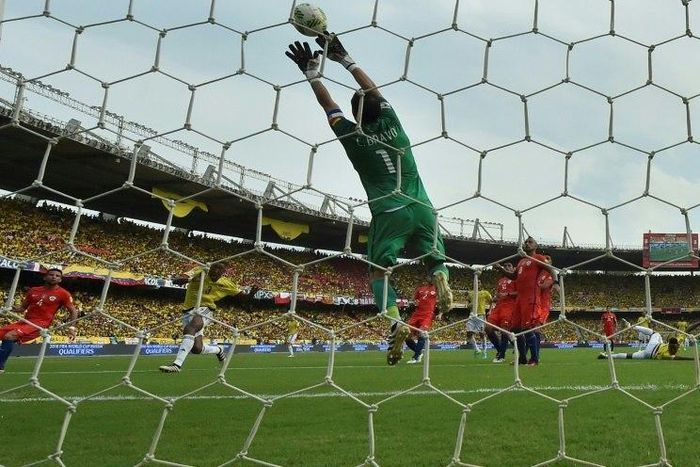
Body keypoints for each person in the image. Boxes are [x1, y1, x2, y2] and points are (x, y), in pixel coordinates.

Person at [285, 35, 453, 366]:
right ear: (379, 109)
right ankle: (442, 278)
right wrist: (345, 58)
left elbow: (327, 106)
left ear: (357, 116)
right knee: (434, 258)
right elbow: (374, 93)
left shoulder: (352, 135)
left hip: (390, 211)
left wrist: (311, 74)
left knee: (379, 271)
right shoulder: (394, 124)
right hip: (422, 208)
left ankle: (395, 323)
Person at [159, 263, 244, 373]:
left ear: (223, 273)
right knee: (197, 349)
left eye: (219, 272)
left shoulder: (226, 283)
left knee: (191, 328)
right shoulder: (200, 271)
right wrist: (180, 280)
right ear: (210, 269)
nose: (216, 273)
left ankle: (177, 364)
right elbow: (184, 277)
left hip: (206, 309)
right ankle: (219, 350)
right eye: (214, 270)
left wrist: (250, 296)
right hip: (188, 310)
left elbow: (241, 296)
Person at [0, 268, 78, 373]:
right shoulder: (33, 290)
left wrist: (72, 328)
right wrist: (10, 308)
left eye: (57, 276)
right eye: (51, 274)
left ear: (60, 280)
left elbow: (73, 311)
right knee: (5, 336)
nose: (54, 277)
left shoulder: (63, 293)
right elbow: (22, 308)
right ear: (45, 277)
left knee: (10, 335)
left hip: (40, 324)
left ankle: (0, 365)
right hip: (25, 322)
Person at [495, 237, 553, 365]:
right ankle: (522, 358)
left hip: (531, 298)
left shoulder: (538, 258)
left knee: (529, 328)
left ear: (536, 245)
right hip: (519, 299)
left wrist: (553, 280)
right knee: (515, 329)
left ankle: (534, 359)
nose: (527, 243)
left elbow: (550, 269)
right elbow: (513, 276)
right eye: (526, 242)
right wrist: (501, 269)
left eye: (530, 242)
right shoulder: (521, 261)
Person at [598, 319, 692, 360]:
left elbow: (687, 330)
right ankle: (631, 327)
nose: (674, 349)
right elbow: (678, 357)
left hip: (650, 351)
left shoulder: (674, 345)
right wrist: (694, 359)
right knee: (656, 333)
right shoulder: (669, 354)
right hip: (651, 352)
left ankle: (606, 357)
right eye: (674, 347)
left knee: (628, 356)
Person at [527, 256, 556, 365]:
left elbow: (545, 285)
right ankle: (525, 357)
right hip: (534, 303)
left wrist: (531, 285)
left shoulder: (549, 273)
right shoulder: (538, 272)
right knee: (527, 329)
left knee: (535, 330)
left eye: (548, 258)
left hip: (543, 306)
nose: (545, 259)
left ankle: (535, 357)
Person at [486, 263, 517, 363]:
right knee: (487, 328)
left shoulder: (516, 279)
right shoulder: (500, 281)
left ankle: (502, 355)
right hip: (498, 306)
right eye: (505, 266)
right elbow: (498, 295)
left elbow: (520, 292)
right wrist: (495, 299)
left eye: (509, 266)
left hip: (510, 306)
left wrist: (507, 294)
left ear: (513, 268)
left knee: (504, 330)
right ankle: (500, 350)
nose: (507, 267)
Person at [404, 277, 438, 364]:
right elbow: (414, 300)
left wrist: (441, 312)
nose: (431, 278)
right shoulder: (420, 289)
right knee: (406, 336)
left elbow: (444, 299)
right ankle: (419, 353)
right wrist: (414, 302)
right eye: (430, 276)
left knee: (422, 334)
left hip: (427, 314)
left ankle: (415, 358)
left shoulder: (437, 288)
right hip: (417, 314)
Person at [466, 280, 492, 358]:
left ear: (481, 284)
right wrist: (471, 304)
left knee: (482, 334)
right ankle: (477, 349)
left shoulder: (485, 293)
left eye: (479, 283)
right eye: (476, 283)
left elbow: (491, 301)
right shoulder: (470, 294)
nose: (477, 284)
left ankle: (484, 351)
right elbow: (467, 305)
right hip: (472, 315)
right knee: (469, 333)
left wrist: (490, 310)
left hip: (481, 315)